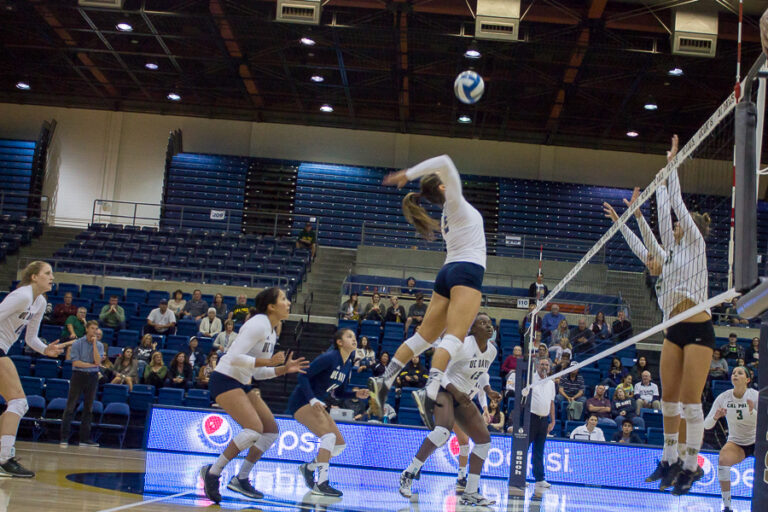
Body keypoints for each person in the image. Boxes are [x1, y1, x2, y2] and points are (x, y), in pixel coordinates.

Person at [606, 135, 714, 495]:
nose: (676, 228)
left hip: (699, 331)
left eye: (682, 226)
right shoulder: (668, 260)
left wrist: (671, 168)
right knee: (669, 401)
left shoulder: (695, 245)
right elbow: (649, 241)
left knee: (690, 402)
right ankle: (669, 460)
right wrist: (632, 216)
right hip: (674, 332)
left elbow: (676, 209)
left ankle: (689, 466)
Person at [369, 155, 488, 430]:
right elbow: (446, 161)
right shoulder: (454, 202)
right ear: (444, 187)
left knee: (424, 337)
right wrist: (408, 174)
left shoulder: (449, 211)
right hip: (467, 272)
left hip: (447, 272)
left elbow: (441, 169)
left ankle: (385, 379)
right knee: (455, 337)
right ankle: (430, 390)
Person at [200, 287, 307, 503]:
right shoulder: (258, 323)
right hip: (224, 378)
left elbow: (257, 371)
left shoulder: (272, 329)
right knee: (253, 430)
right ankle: (213, 472)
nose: (288, 303)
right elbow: (234, 357)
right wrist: (268, 362)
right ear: (271, 306)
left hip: (242, 382)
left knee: (270, 431)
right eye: (284, 299)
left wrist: (283, 370)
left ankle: (241, 478)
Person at [400, 313, 500, 506]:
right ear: (473, 329)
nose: (489, 326)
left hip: (463, 396)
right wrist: (455, 391)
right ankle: (409, 473)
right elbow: (438, 371)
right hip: (444, 389)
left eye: (490, 323)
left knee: (484, 441)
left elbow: (482, 372)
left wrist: (487, 390)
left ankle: (470, 492)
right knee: (442, 432)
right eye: (483, 323)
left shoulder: (492, 351)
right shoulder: (463, 345)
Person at [285, 328, 369, 497]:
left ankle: (308, 468)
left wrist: (355, 394)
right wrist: (312, 399)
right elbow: (303, 376)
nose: (354, 339)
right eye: (349, 336)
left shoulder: (348, 365)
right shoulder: (329, 357)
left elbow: (337, 393)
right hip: (302, 401)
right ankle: (321, 483)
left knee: (339, 445)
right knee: (328, 438)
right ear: (339, 342)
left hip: (317, 403)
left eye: (355, 337)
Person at [0, 261, 63, 476]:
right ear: (34, 276)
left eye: (52, 273)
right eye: (47, 273)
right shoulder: (23, 296)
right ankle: (4, 459)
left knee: (15, 404)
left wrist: (46, 350)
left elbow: (31, 338)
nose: (52, 277)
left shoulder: (39, 301)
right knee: (18, 402)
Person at [704, 366, 758, 512]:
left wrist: (752, 412)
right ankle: (727, 506)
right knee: (723, 460)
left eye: (739, 373)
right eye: (733, 373)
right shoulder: (724, 397)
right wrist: (716, 417)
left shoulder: (755, 396)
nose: (735, 374)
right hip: (737, 443)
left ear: (747, 380)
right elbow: (707, 425)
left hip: (758, 441)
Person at [60, 319, 102, 448]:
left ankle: (84, 439)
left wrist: (94, 345)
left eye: (96, 329)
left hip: (92, 377)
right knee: (71, 406)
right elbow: (76, 363)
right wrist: (91, 365)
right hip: (78, 376)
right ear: (87, 329)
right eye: (93, 328)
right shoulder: (78, 343)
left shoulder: (99, 345)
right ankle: (64, 437)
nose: (95, 331)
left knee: (88, 408)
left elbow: (98, 361)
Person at [528, 358, 556, 491]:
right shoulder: (531, 379)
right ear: (537, 366)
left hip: (544, 420)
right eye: (542, 364)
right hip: (531, 418)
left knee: (539, 450)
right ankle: (519, 478)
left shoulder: (551, 383)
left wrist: (553, 420)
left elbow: (551, 403)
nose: (544, 366)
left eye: (547, 365)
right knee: (524, 448)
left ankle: (539, 479)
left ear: (549, 367)